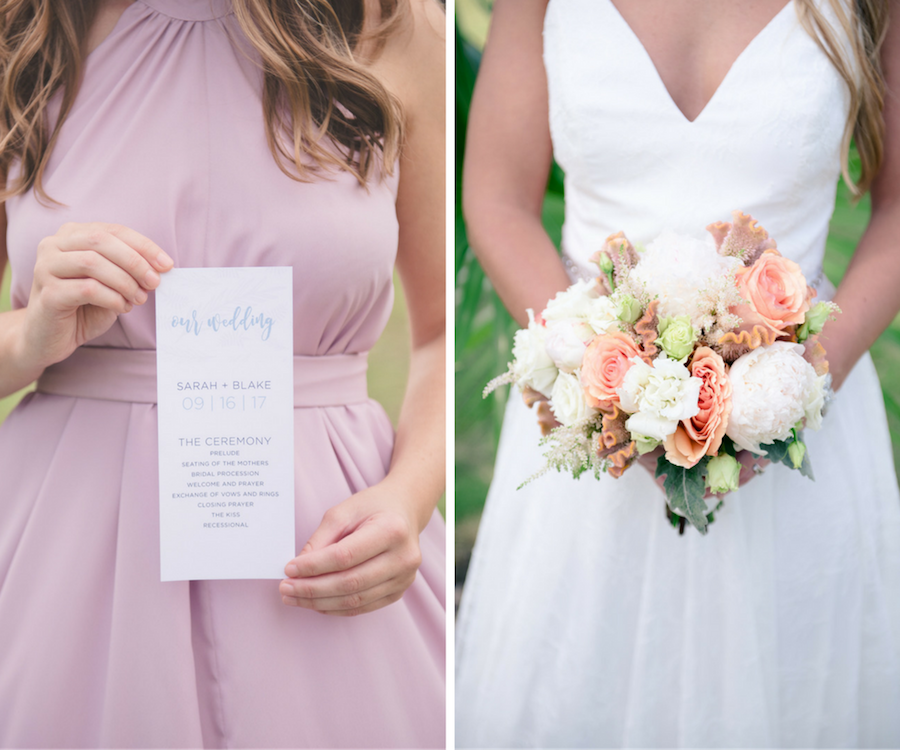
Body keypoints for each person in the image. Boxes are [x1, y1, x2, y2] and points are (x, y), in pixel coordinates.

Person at [0, 0, 445, 746]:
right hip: (63, 569)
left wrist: (411, 496)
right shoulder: (25, 32)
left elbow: (437, 334)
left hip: (322, 570)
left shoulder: (390, 22)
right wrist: (30, 338)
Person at [456, 0, 900, 746]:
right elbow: (497, 199)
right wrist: (605, 382)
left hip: (798, 444)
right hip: (589, 468)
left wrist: (798, 382)